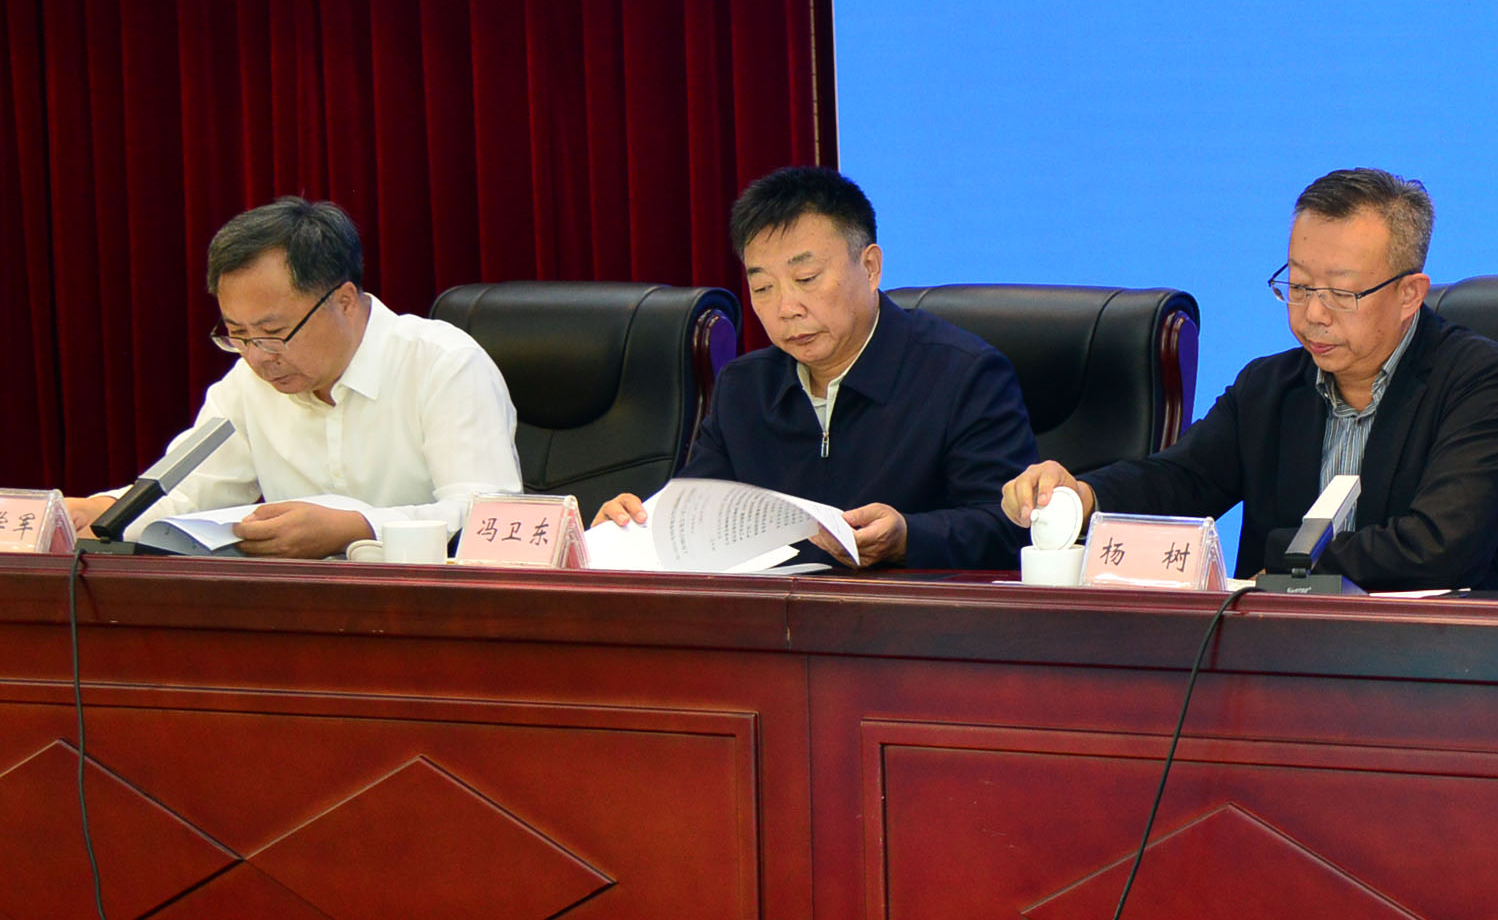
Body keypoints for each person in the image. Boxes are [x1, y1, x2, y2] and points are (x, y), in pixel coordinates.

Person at [1000, 168, 1498, 590]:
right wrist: (1084, 496)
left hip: (1436, 665)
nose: (1313, 314)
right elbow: (1181, 481)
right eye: (1299, 286)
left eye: (1341, 294)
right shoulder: (1268, 387)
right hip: (1278, 661)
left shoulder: (1479, 383)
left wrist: (1287, 563)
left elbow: (1441, 547)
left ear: (1409, 294)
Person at [597, 167, 1037, 569]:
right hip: (771, 619)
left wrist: (908, 536)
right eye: (763, 287)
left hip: (910, 620)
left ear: (870, 268)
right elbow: (696, 516)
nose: (786, 308)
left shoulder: (964, 374)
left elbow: (1012, 528)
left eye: (806, 279)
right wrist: (632, 529)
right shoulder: (743, 387)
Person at [63, 197, 520, 558]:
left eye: (273, 333)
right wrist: (101, 511)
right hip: (297, 611)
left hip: (431, 610)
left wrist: (356, 528)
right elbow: (190, 494)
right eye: (237, 334)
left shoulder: (443, 363)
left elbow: (489, 516)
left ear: (343, 301)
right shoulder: (247, 381)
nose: (257, 358)